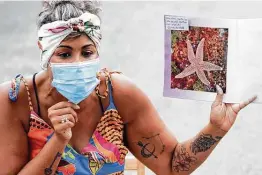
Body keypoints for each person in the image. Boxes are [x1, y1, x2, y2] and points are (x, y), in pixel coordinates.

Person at [0, 1, 257, 175]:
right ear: (43, 51)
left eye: (87, 52)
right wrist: (58, 140)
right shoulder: (15, 101)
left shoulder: (118, 95)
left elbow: (172, 165)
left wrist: (216, 128)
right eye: (64, 54)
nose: (77, 63)